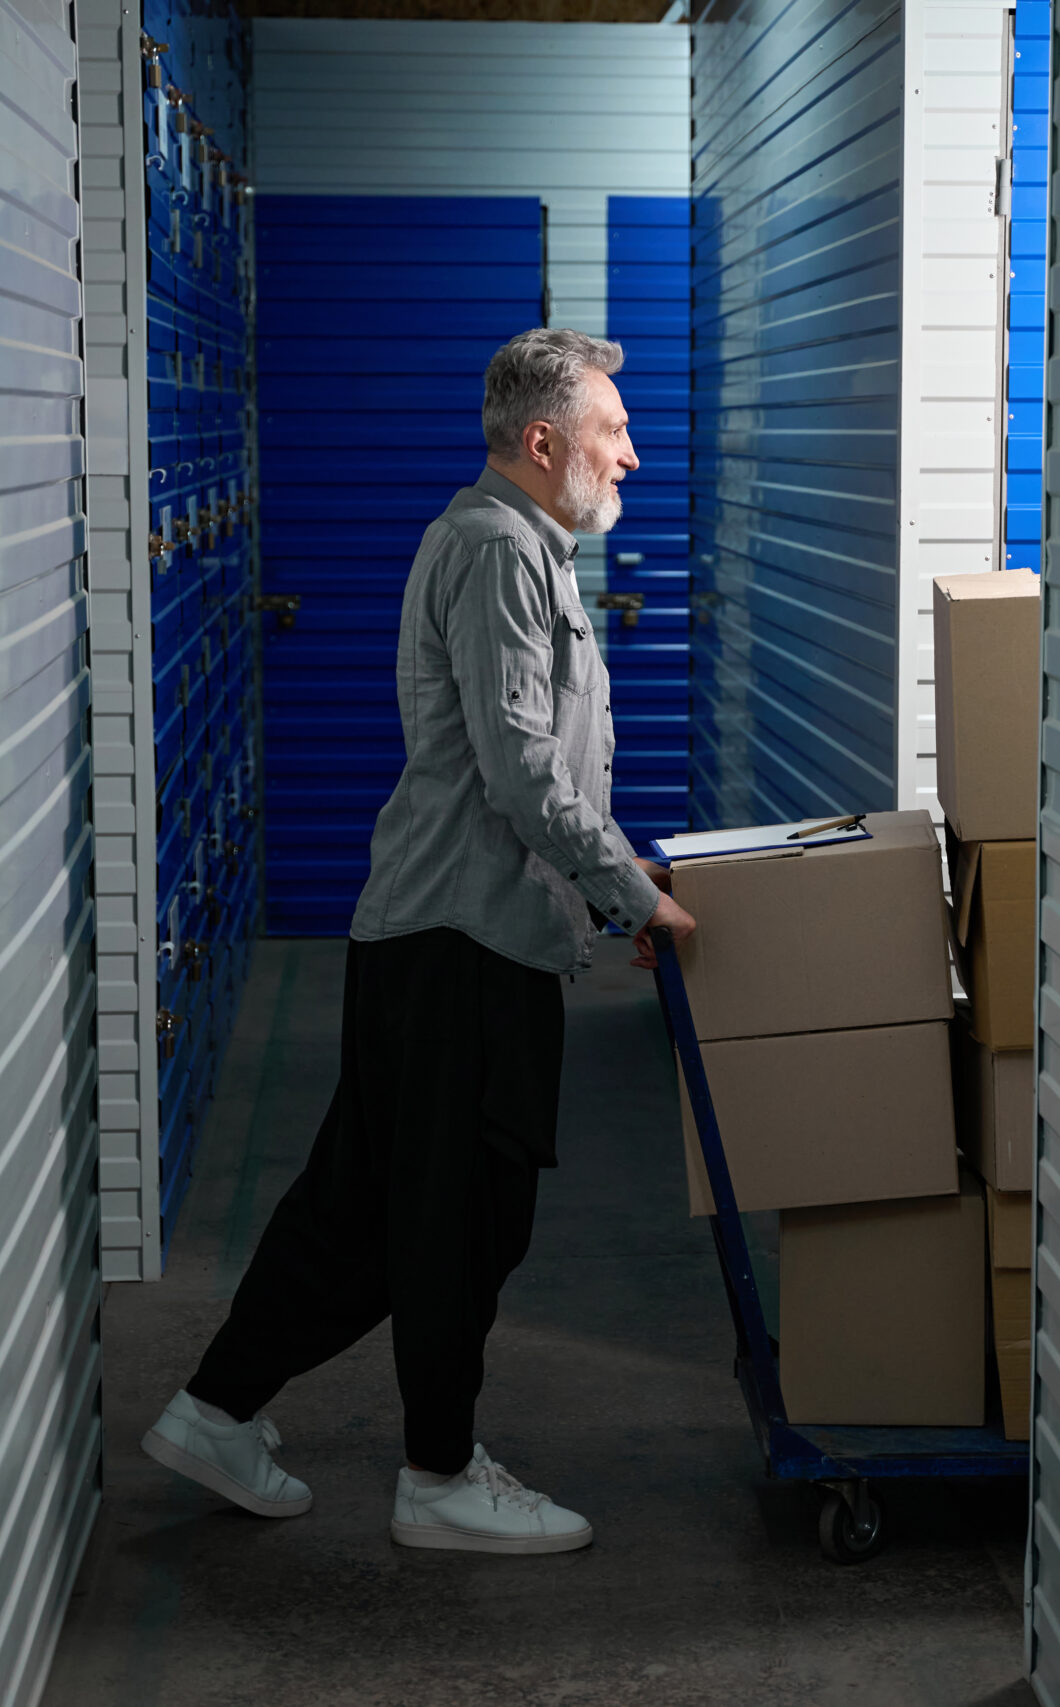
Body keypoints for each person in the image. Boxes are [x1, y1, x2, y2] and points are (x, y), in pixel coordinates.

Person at [139, 328, 697, 1555]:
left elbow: (542, 776)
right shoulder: (499, 554)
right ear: (543, 443)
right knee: (459, 1224)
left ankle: (215, 1409)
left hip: (446, 936)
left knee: (361, 1207)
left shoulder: (516, 548)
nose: (633, 458)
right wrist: (630, 896)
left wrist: (623, 875)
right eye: (613, 435)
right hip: (462, 948)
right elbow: (522, 778)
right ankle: (438, 1478)